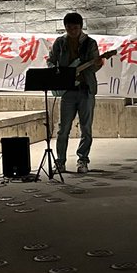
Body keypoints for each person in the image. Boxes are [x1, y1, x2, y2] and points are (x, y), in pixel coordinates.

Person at [46, 12, 104, 174]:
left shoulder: (90, 43)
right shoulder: (60, 42)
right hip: (68, 91)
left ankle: (82, 160)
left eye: (75, 28)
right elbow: (50, 60)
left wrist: (97, 64)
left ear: (81, 27)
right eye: (69, 28)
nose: (72, 31)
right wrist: (57, 72)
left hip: (85, 89)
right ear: (65, 27)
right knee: (63, 128)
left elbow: (93, 67)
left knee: (86, 128)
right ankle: (60, 162)